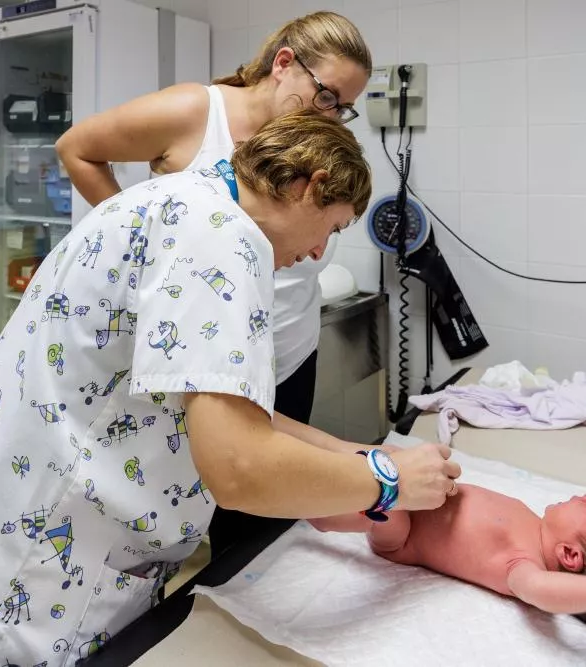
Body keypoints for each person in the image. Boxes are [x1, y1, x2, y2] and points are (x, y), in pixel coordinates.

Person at [0, 110, 462, 666]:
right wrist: (386, 485)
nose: (315, 252)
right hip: (36, 562)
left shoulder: (176, 199)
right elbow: (238, 466)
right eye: (331, 228)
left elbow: (220, 405)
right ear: (313, 184)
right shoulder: (222, 241)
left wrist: (361, 459)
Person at [55, 11, 373, 556]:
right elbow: (77, 148)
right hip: (200, 355)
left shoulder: (309, 144)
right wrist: (153, 246)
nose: (335, 117)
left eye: (345, 108)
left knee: (261, 524)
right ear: (283, 64)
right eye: (327, 97)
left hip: (286, 352)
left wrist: (346, 463)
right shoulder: (196, 118)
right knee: (214, 481)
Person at [310, 485, 586, 638]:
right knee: (394, 470)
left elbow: (547, 594)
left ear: (570, 556)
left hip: (402, 536)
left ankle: (318, 515)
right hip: (423, 491)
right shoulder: (538, 529)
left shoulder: (523, 568)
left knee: (389, 498)